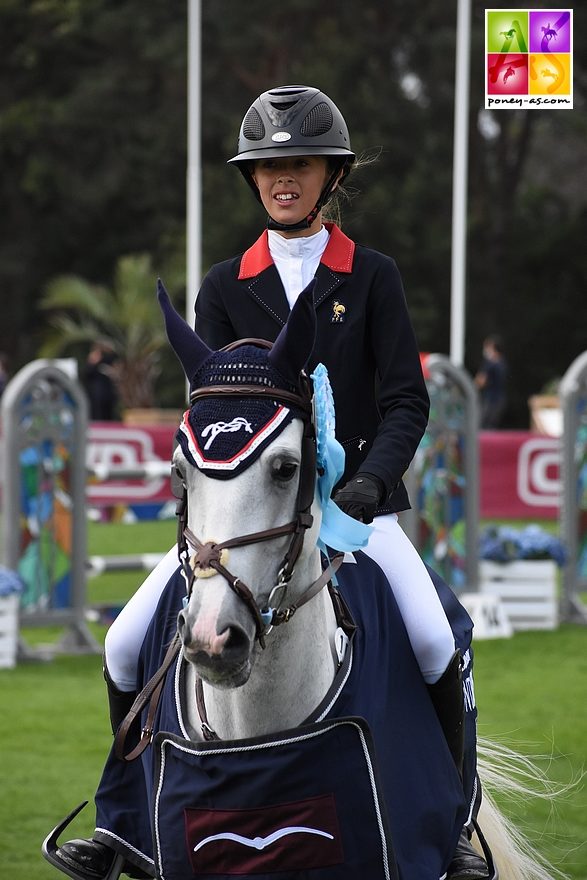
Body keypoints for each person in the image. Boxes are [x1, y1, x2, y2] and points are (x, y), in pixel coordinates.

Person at [55, 86, 488, 880]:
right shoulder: (224, 285)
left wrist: (366, 483)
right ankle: (124, 823)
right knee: (122, 644)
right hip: (246, 514)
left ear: (331, 175)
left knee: (434, 638)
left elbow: (404, 399)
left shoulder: (374, 276)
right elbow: (215, 413)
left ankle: (456, 824)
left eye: (298, 164)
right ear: (251, 181)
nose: (282, 178)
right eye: (266, 167)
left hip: (356, 517)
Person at [475, 334, 508, 429]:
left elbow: (480, 382)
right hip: (500, 400)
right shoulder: (503, 362)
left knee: (483, 427)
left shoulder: (490, 364)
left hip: (490, 400)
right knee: (492, 427)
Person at [84, 341, 118, 421]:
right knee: (97, 415)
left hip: (107, 393)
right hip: (96, 393)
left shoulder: (111, 358)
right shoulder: (94, 359)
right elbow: (88, 374)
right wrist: (92, 362)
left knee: (108, 415)